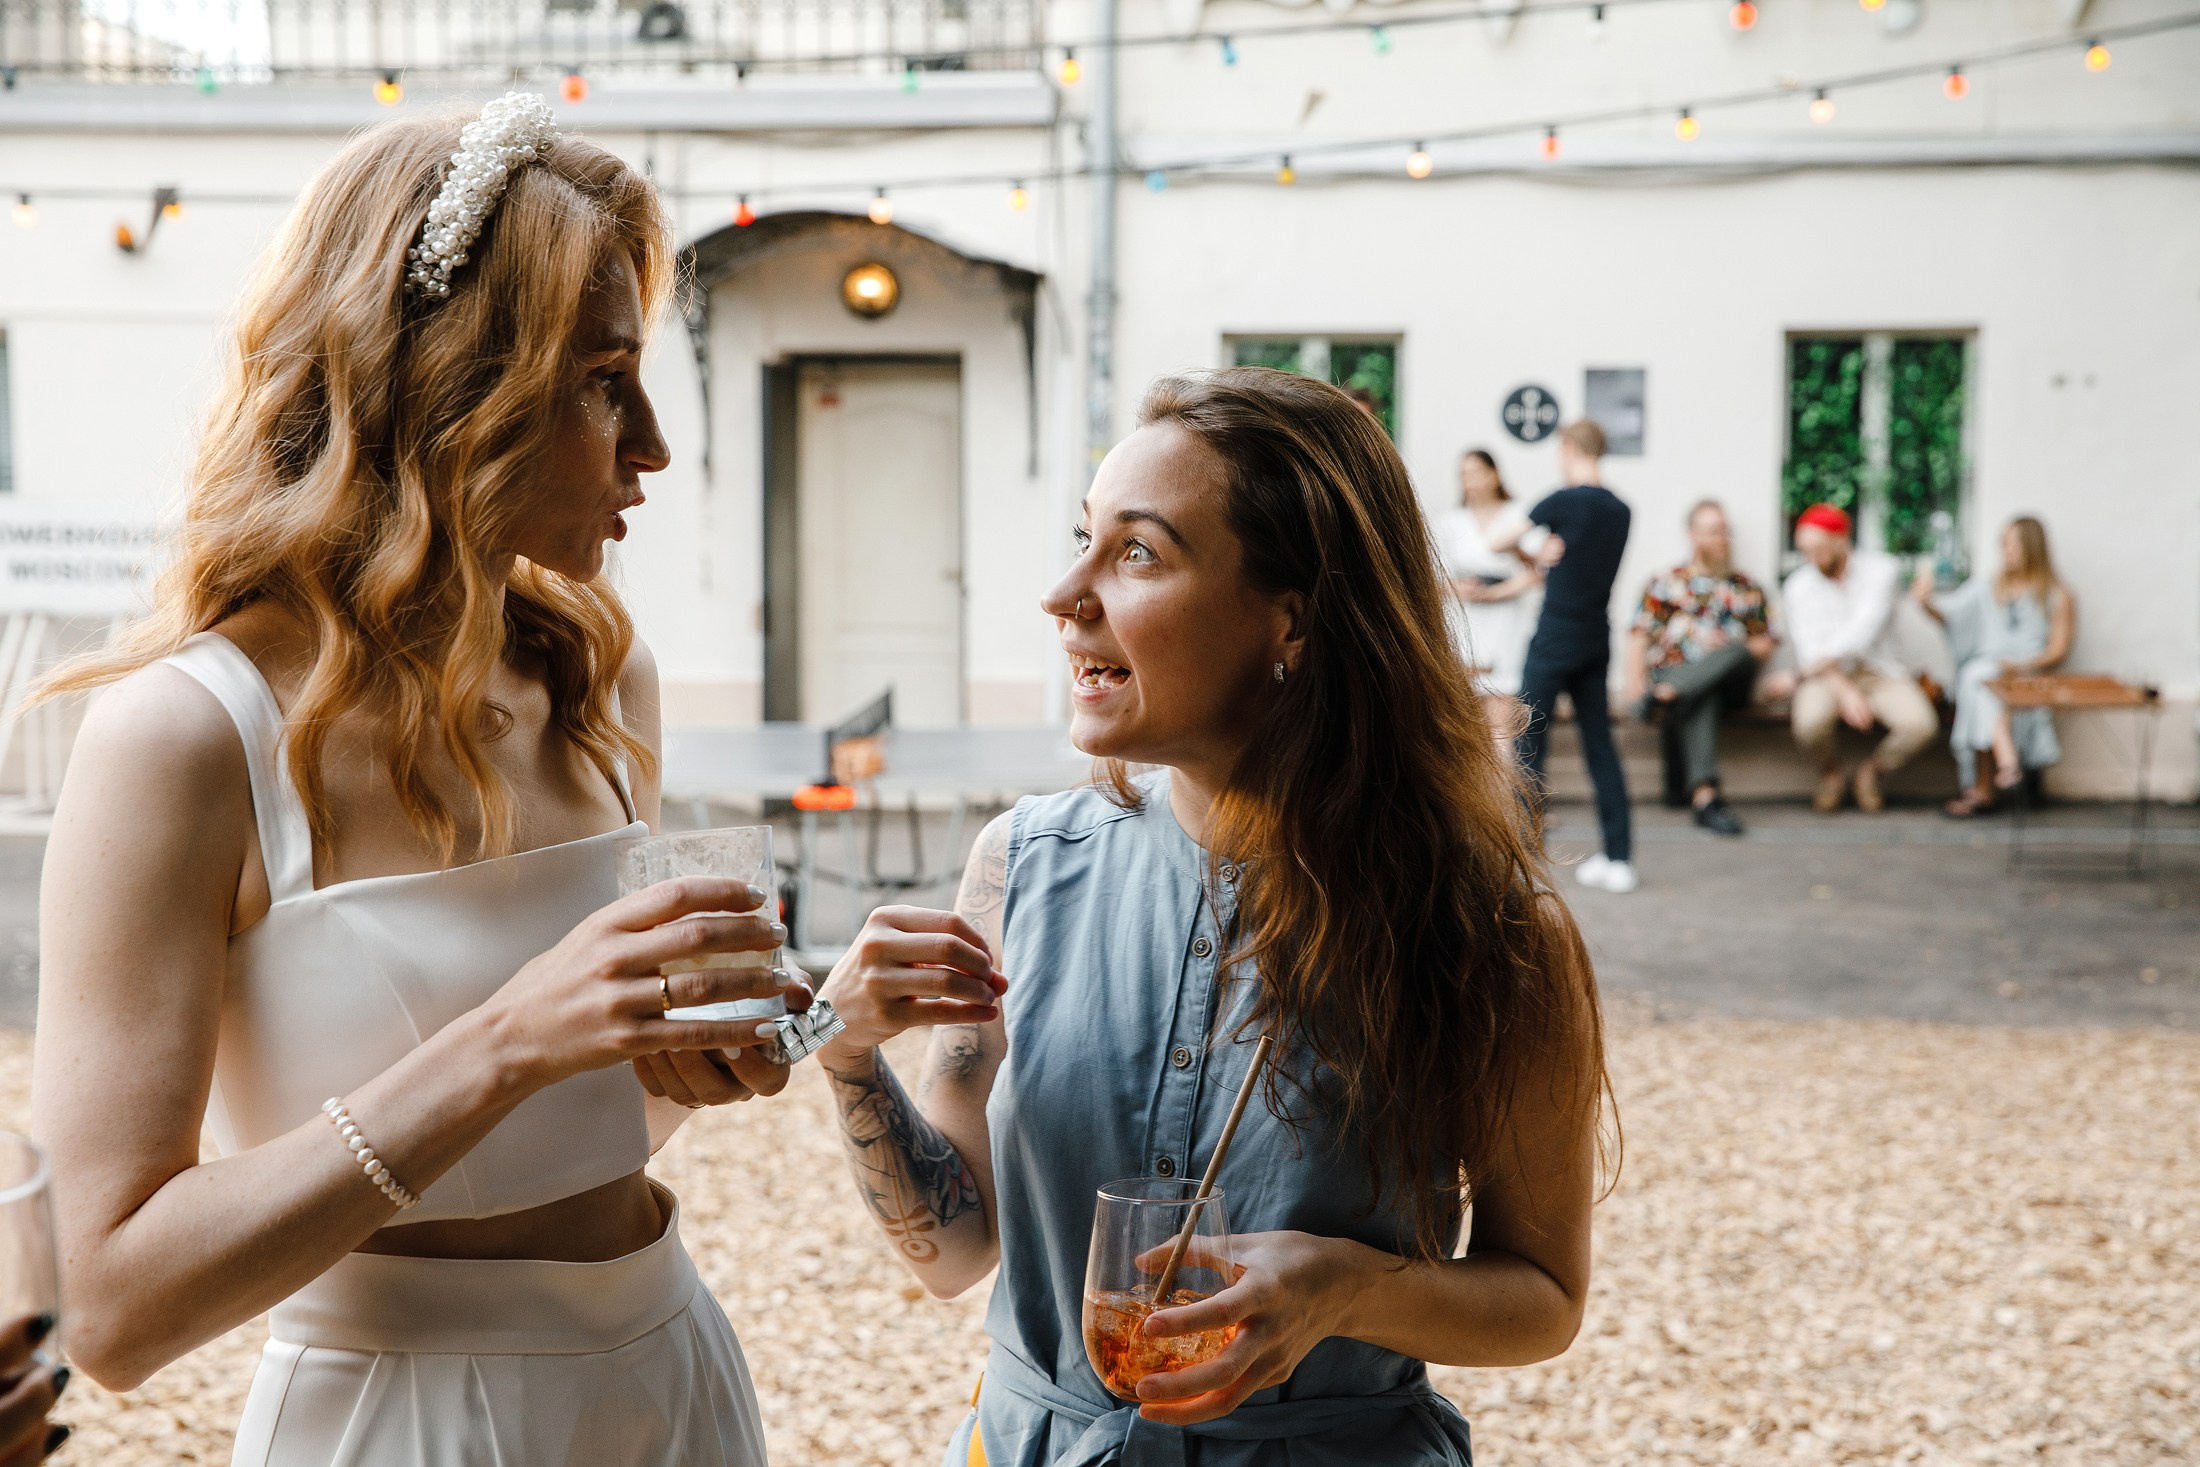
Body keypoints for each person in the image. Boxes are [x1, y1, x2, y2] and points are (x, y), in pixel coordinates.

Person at [28, 96, 796, 1464]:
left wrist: (707, 1058)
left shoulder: (606, 680)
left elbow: (591, 1134)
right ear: (446, 391)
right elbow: (114, 1307)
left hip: (675, 1378)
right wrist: (505, 1040)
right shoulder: (189, 738)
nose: (655, 447)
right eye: (603, 381)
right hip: (399, 1420)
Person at [816, 368, 1612, 1466]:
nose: (1064, 592)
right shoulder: (1020, 868)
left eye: (1135, 552)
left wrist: (1345, 1291)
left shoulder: (1489, 933)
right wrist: (847, 1055)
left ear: (1292, 619)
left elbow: (1544, 1296)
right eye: (1083, 538)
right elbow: (955, 1252)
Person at [1494, 419, 1636, 893]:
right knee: (1601, 746)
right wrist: (1544, 553)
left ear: (1571, 448)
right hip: (1597, 635)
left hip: (1556, 634)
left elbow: (1498, 539)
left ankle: (1525, 855)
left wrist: (1532, 550)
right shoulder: (1621, 510)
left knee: (1529, 735)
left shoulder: (1561, 500)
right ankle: (1620, 859)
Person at [1765, 503, 1939, 814]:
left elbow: (1860, 636)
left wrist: (1796, 677)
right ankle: (1831, 774)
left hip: (1880, 671)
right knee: (1808, 723)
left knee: (1920, 725)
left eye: (1818, 549)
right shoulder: (1798, 586)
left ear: (1842, 538)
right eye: (1804, 551)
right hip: (1825, 675)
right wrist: (1845, 691)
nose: (1812, 559)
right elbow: (1811, 649)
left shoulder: (1882, 571)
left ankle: (1871, 772)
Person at [1624, 499, 1775, 836]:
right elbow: (1637, 638)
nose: (1721, 538)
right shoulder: (1664, 583)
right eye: (1712, 531)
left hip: (1731, 680)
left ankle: (1666, 696)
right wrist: (1634, 688)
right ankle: (1705, 798)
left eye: (1725, 531)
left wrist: (1728, 649)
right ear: (1692, 536)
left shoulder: (1746, 587)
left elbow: (1764, 644)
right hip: (1678, 673)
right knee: (1701, 692)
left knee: (1735, 651)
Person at [1911, 516, 2075, 817]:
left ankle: (1984, 788)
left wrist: (2022, 664)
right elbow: (1951, 615)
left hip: (2028, 674)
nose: (2005, 550)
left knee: (1981, 682)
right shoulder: (1989, 587)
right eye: (2003, 544)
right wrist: (1925, 602)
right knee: (1980, 678)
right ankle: (2007, 758)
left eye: (2011, 544)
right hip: (1991, 671)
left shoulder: (2057, 594)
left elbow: (2058, 650)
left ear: (2031, 547)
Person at [1432, 448, 1542, 696]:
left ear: (1494, 475)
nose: (1469, 481)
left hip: (1508, 617)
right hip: (1465, 616)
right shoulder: (1449, 522)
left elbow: (1537, 570)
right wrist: (1456, 588)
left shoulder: (1519, 515)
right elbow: (1431, 577)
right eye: (1463, 475)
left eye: (1476, 473)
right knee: (1464, 700)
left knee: (1504, 695)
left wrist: (1496, 593)